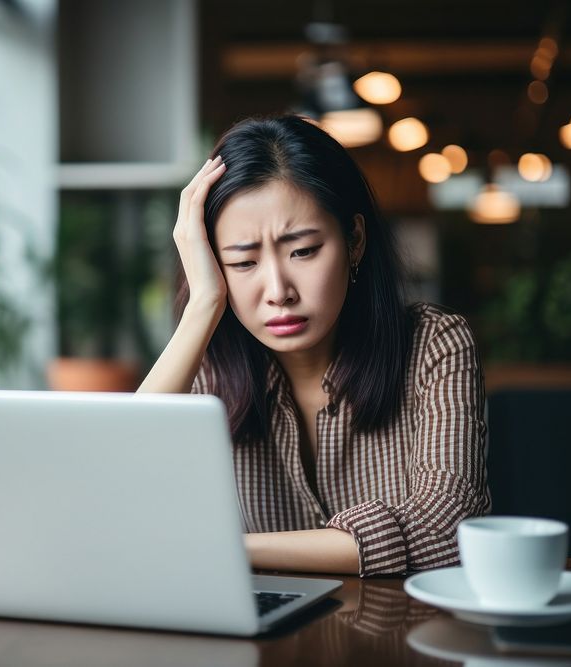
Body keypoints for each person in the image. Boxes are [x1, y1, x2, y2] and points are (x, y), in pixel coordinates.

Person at [138, 115, 491, 577]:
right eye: (242, 262)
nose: (278, 290)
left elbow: (448, 531)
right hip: (256, 641)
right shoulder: (204, 368)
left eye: (302, 251)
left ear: (355, 241)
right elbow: (121, 501)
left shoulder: (435, 347)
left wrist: (230, 549)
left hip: (404, 640)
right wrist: (204, 303)